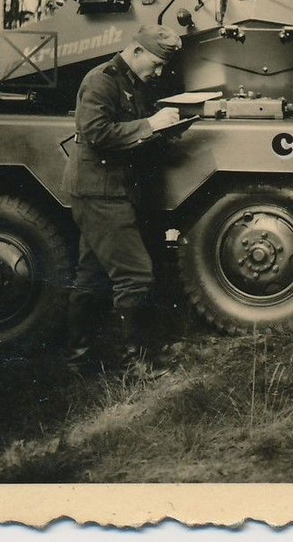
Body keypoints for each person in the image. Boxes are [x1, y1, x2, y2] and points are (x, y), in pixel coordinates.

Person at [62, 24, 184, 375]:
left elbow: (129, 133)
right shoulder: (102, 80)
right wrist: (150, 125)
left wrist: (164, 131)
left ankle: (79, 358)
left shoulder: (132, 83)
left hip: (107, 188)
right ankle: (132, 363)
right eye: (157, 64)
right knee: (135, 276)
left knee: (91, 274)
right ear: (135, 52)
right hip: (100, 190)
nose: (159, 72)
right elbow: (97, 132)